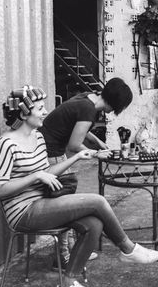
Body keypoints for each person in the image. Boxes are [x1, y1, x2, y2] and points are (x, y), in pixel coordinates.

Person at [0, 85, 158, 287]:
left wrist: (77, 158)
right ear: (24, 114)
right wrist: (35, 177)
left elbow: (48, 171)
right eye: (40, 108)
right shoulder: (7, 143)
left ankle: (67, 285)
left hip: (41, 203)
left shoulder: (38, 138)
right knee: (98, 201)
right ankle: (128, 249)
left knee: (94, 225)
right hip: (23, 212)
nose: (45, 112)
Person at [39, 78, 133, 264]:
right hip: (51, 152)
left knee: (67, 199)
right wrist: (97, 154)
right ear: (116, 104)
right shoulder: (89, 110)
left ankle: (74, 249)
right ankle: (63, 256)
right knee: (64, 204)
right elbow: (74, 145)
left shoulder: (87, 98)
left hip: (47, 148)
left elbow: (79, 125)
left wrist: (96, 141)